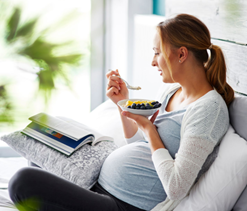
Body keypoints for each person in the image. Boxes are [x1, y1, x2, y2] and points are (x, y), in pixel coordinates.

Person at [8, 14, 234, 211]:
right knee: (41, 154)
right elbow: (139, 144)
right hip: (99, 184)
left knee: (22, 181)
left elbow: (176, 187)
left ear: (182, 54)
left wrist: (150, 131)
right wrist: (123, 104)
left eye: (157, 53)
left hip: (124, 205)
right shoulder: (172, 91)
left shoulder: (208, 110)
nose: (153, 62)